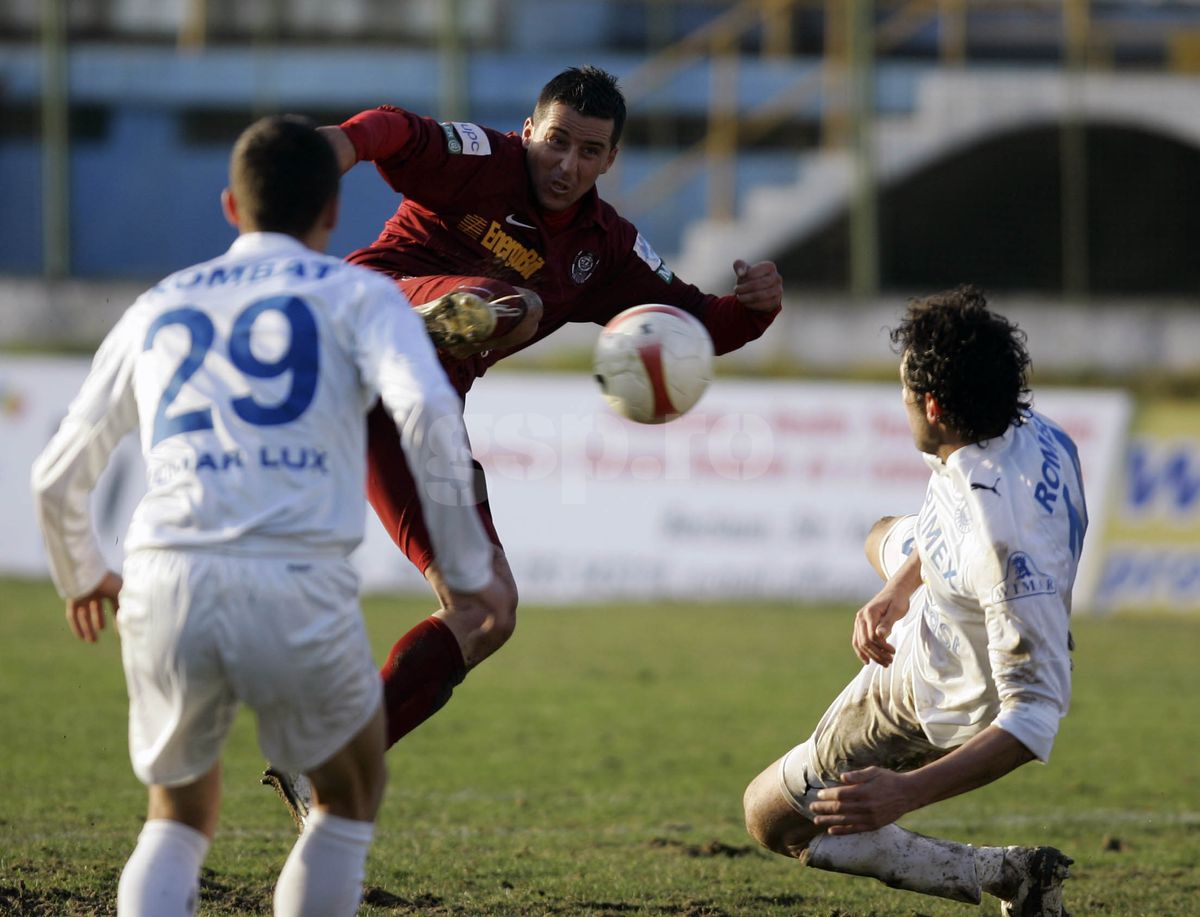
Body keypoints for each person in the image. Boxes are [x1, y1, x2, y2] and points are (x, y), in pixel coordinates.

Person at [262, 64, 786, 823]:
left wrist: (756, 309)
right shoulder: (482, 161)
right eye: (556, 143)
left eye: (588, 152)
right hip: (351, 331)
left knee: (487, 612)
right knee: (511, 302)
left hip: (414, 414)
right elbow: (395, 129)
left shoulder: (608, 249)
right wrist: (339, 144)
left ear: (611, 161)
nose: (567, 165)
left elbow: (693, 325)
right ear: (530, 131)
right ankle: (430, 319)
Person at [30, 114, 506, 917]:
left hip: (163, 578)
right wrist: (463, 565)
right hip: (295, 577)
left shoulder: (160, 304)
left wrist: (82, 572)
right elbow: (427, 415)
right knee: (347, 798)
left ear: (228, 207)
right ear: (330, 213)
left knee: (176, 817)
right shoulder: (362, 294)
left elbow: (53, 477)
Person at [742, 286, 1085, 917]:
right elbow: (955, 519)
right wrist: (898, 588)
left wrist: (903, 793)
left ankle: (1006, 873)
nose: (901, 407)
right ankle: (1014, 877)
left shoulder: (1005, 546)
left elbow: (1033, 718)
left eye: (903, 394)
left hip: (939, 689)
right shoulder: (1021, 429)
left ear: (933, 405)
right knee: (880, 535)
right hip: (945, 610)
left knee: (771, 819)